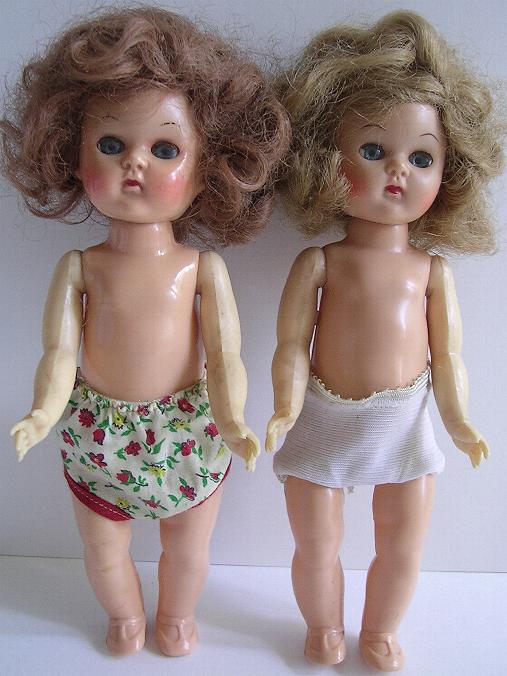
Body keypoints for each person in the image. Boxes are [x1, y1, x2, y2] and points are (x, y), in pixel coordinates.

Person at [2, 6, 289, 657]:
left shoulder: (200, 267)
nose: (135, 163)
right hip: (97, 429)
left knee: (188, 546)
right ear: (71, 155)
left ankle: (177, 616)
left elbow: (226, 352)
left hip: (190, 426)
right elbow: (59, 350)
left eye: (165, 149)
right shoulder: (81, 267)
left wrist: (233, 418)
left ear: (209, 167)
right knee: (103, 547)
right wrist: (43, 411)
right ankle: (124, 615)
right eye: (111, 145)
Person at [266, 11, 503, 671]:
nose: (398, 170)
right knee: (316, 543)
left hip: (405, 420)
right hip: (320, 414)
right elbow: (290, 345)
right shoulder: (319, 262)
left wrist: (458, 421)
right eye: (373, 151)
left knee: (401, 546)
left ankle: (378, 630)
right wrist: (284, 406)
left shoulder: (431, 271)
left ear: (448, 172)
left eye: (420, 157)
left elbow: (446, 356)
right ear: (324, 158)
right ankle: (322, 628)